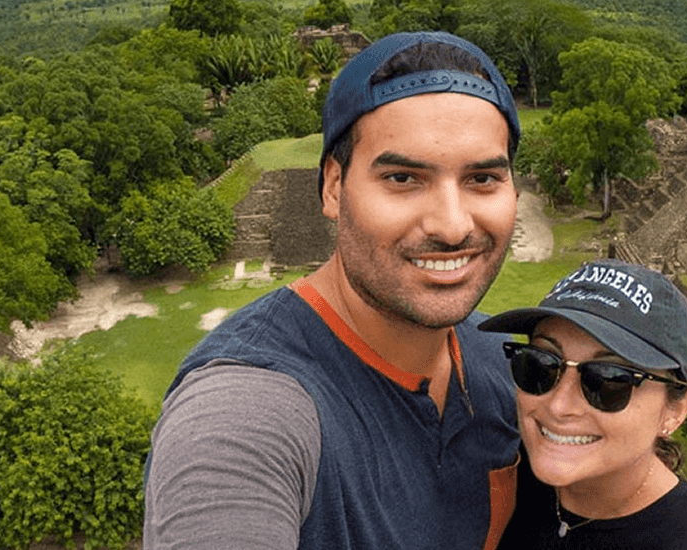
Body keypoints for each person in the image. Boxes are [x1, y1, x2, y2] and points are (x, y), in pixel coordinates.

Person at [142, 32, 525, 550]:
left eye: (482, 179)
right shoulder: (244, 412)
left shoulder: (510, 365)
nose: (453, 226)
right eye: (403, 178)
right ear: (332, 186)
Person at [481, 259, 687, 549]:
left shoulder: (686, 542)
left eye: (609, 381)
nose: (559, 406)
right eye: (540, 364)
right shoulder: (504, 461)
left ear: (676, 410)